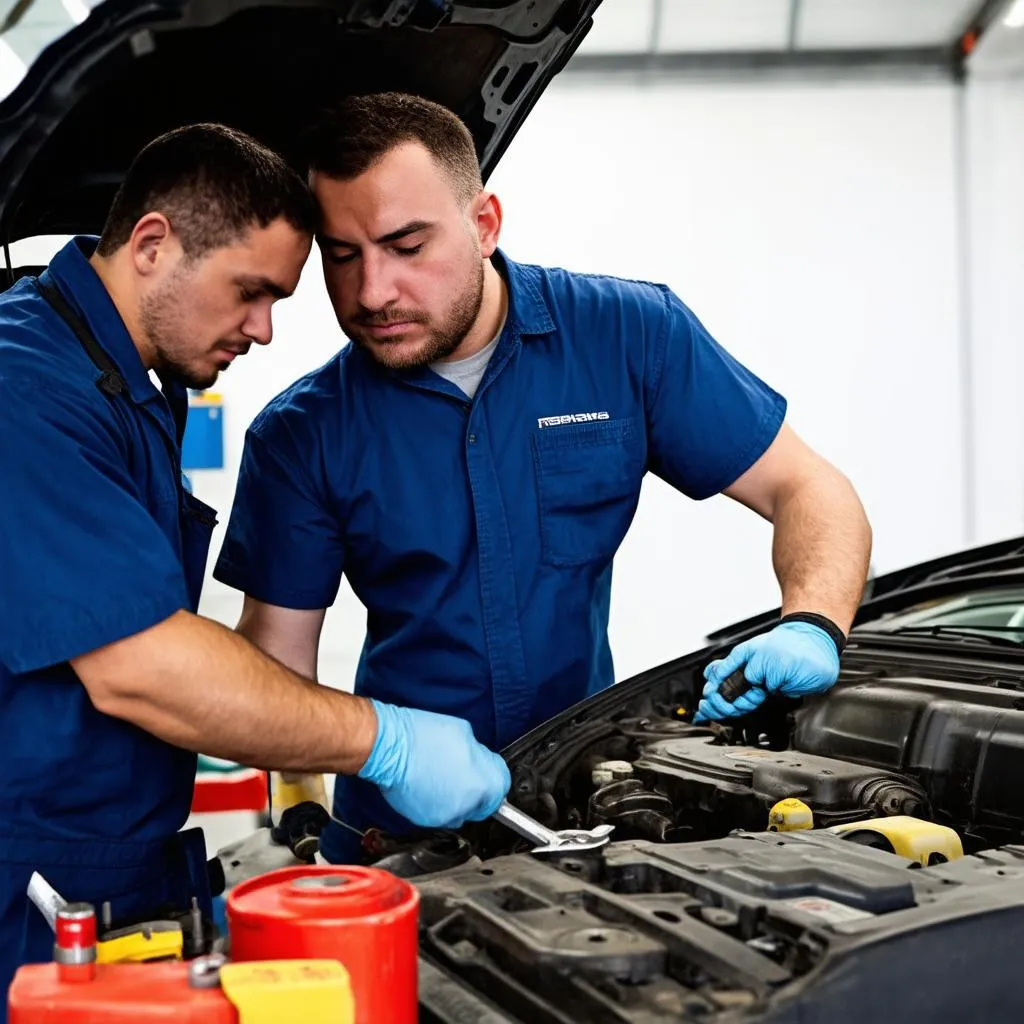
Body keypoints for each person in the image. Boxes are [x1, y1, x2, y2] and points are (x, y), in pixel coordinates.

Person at [212, 93, 873, 865]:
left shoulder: (630, 337)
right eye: (343, 254)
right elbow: (273, 670)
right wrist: (359, 763)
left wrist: (813, 621)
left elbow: (809, 488)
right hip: (395, 829)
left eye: (406, 245)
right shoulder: (303, 433)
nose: (372, 292)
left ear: (485, 223)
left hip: (597, 803)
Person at [0, 122, 509, 1004]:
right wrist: (382, 741)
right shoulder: (24, 388)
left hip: (114, 868)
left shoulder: (123, 377)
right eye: (250, 292)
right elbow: (139, 668)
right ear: (152, 243)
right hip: (25, 892)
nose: (266, 331)